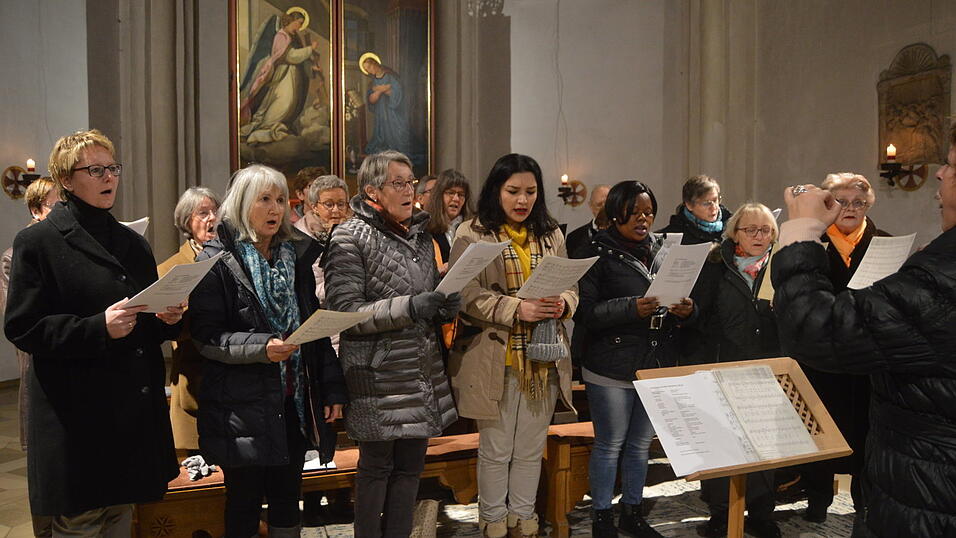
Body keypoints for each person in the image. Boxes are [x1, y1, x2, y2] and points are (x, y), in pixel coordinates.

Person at [770, 123, 956, 537]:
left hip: (929, 485)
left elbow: (814, 329)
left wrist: (799, 232)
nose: (940, 174)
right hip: (853, 372)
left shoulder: (927, 265)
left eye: (950, 164)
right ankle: (818, 496)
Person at [4, 129, 184, 535]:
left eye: (113, 168)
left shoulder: (131, 243)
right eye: (96, 170)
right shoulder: (38, 243)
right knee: (81, 523)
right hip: (78, 416)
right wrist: (97, 328)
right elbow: (23, 326)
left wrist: (165, 319)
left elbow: (140, 323)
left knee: (120, 517)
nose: (109, 178)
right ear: (66, 180)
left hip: (129, 414)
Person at [189, 164, 346, 537]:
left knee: (287, 497)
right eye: (264, 200)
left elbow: (314, 329)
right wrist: (261, 347)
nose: (275, 209)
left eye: (280, 200)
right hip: (240, 406)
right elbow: (207, 337)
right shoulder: (214, 261)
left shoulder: (295, 256)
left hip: (292, 401)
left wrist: (332, 388)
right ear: (242, 204)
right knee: (243, 502)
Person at [323, 150, 459, 537]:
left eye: (410, 182)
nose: (408, 190)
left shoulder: (421, 236)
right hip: (378, 375)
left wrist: (443, 307)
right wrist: (411, 307)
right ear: (372, 192)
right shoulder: (349, 236)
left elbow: (423, 301)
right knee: (376, 470)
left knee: (410, 470)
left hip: (420, 370)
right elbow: (345, 311)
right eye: (397, 183)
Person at [447, 153, 578, 538]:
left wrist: (563, 303)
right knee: (496, 449)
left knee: (530, 449)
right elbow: (463, 294)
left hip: (543, 358)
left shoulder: (550, 233)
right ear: (496, 190)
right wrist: (517, 308)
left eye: (531, 192)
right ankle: (492, 521)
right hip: (496, 358)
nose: (523, 200)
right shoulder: (472, 233)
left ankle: (523, 520)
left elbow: (571, 285)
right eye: (513, 191)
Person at [576, 180, 694, 538]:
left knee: (641, 445)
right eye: (635, 213)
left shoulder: (663, 249)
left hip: (654, 362)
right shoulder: (594, 251)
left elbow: (683, 295)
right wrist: (631, 308)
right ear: (615, 214)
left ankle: (632, 512)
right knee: (610, 444)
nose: (643, 219)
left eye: (649, 213)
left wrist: (688, 310)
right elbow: (585, 312)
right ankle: (602, 517)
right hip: (610, 363)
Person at [798, 172, 887, 524]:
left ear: (869, 206)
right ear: (829, 204)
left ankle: (864, 503)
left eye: (859, 202)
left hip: (866, 357)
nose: (851, 208)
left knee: (867, 431)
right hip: (823, 356)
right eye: (843, 202)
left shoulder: (884, 243)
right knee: (820, 430)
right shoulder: (811, 243)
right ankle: (817, 500)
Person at [696, 203, 781, 538]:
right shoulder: (716, 264)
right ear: (735, 233)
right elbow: (700, 314)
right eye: (751, 230)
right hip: (723, 364)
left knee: (765, 442)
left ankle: (761, 512)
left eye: (766, 230)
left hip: (767, 365)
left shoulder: (780, 266)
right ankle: (720, 513)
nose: (759, 236)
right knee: (722, 440)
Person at [0, 177, 56, 537]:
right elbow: (19, 324)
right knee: (44, 470)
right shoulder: (14, 256)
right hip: (40, 373)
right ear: (36, 210)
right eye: (54, 205)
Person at [157, 187, 221, 455]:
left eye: (216, 211)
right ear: (187, 222)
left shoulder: (232, 258)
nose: (212, 218)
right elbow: (166, 330)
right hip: (196, 382)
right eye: (203, 213)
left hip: (236, 384)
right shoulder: (171, 269)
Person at [658, 175, 731, 365]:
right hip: (690, 329)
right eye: (707, 203)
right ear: (689, 205)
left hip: (726, 323)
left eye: (716, 200)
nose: (714, 208)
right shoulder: (672, 236)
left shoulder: (732, 231)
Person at [239, 10, 319, 145]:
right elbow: (290, 56)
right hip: (282, 75)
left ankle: (276, 126)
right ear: (291, 21)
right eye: (298, 23)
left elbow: (301, 59)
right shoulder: (281, 36)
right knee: (284, 101)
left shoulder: (294, 37)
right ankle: (266, 127)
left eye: (301, 24)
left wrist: (311, 66)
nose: (299, 27)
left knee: (291, 103)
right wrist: (310, 49)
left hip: (292, 75)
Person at [361, 54, 413, 156]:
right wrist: (381, 90)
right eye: (367, 70)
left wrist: (381, 90)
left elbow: (399, 93)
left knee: (399, 136)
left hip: (393, 112)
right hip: (381, 113)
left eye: (369, 67)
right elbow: (371, 99)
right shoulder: (372, 82)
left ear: (375, 63)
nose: (369, 71)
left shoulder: (390, 75)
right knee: (381, 138)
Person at [425, 168, 474, 264]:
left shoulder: (472, 228)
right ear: (439, 196)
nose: (456, 199)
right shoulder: (426, 229)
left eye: (461, 194)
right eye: (451, 193)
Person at [295, 173, 350, 244]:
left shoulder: (356, 229)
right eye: (329, 204)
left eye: (341, 204)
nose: (336, 210)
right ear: (314, 207)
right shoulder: (298, 234)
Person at [565, 183, 610, 258]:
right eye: (599, 205)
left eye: (607, 204)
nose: (604, 209)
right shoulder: (574, 237)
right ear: (591, 206)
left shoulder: (624, 233)